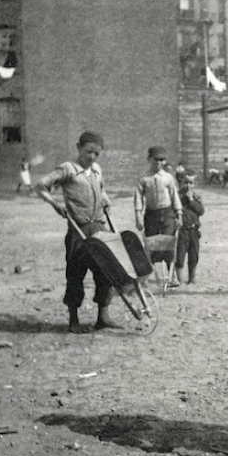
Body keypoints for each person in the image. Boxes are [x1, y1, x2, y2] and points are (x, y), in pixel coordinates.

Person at [34, 131, 121, 333]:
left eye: (96, 154)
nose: (92, 157)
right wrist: (55, 204)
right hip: (78, 229)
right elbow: (40, 186)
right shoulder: (68, 169)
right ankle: (74, 320)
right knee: (76, 272)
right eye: (88, 152)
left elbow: (101, 188)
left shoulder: (97, 170)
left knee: (104, 271)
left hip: (99, 227)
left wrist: (105, 200)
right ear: (78, 147)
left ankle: (103, 317)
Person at [134, 146, 183, 287]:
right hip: (151, 214)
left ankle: (171, 276)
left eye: (162, 160)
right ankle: (146, 277)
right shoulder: (144, 178)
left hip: (167, 213)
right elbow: (138, 199)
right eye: (156, 159)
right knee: (150, 245)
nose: (159, 163)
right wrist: (138, 217)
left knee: (168, 243)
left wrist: (179, 215)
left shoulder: (168, 178)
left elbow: (175, 197)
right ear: (149, 159)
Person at [175, 170, 205, 285]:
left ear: (195, 184)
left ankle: (192, 277)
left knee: (194, 255)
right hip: (183, 230)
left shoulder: (196, 197)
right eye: (186, 182)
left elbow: (201, 211)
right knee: (180, 254)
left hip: (194, 230)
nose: (188, 185)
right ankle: (179, 279)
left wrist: (191, 200)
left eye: (191, 183)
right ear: (182, 182)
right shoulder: (178, 196)